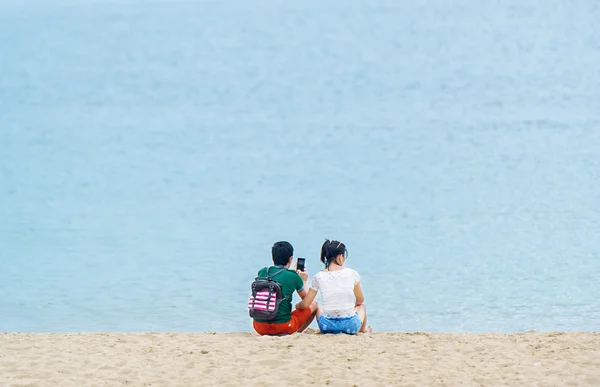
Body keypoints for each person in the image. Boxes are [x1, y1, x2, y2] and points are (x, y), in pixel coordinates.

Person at [296, 239, 371, 334]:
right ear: (340, 257)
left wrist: (298, 304)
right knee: (361, 307)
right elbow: (360, 300)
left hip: (326, 326)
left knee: (319, 307)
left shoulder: (318, 276)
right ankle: (363, 330)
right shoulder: (352, 274)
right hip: (350, 327)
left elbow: (306, 303)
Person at [252, 241, 318, 336]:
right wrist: (303, 281)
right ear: (290, 259)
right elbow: (306, 302)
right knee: (314, 304)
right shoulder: (293, 276)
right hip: (282, 326)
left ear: (273, 257)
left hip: (259, 326)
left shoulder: (262, 272)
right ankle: (297, 332)